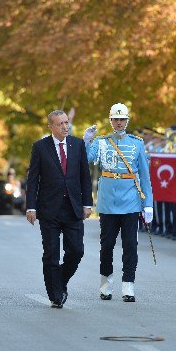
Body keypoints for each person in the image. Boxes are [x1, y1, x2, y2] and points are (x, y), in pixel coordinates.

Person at [83, 103, 153, 302]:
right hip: (107, 200)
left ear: (127, 121)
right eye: (116, 119)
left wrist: (148, 203)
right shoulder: (102, 142)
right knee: (107, 245)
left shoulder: (137, 143)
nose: (119, 123)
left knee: (130, 244)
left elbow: (145, 176)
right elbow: (86, 159)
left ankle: (128, 286)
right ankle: (106, 284)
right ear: (111, 121)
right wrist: (86, 141)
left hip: (130, 198)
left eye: (122, 119)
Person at [25, 110, 93, 309]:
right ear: (51, 127)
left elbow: (84, 177)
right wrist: (31, 207)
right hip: (49, 209)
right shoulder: (40, 147)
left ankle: (60, 281)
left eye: (66, 122)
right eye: (60, 123)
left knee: (76, 251)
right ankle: (55, 294)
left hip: (73, 207)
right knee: (51, 254)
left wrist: (87, 203)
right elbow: (33, 179)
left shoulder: (77, 144)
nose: (65, 126)